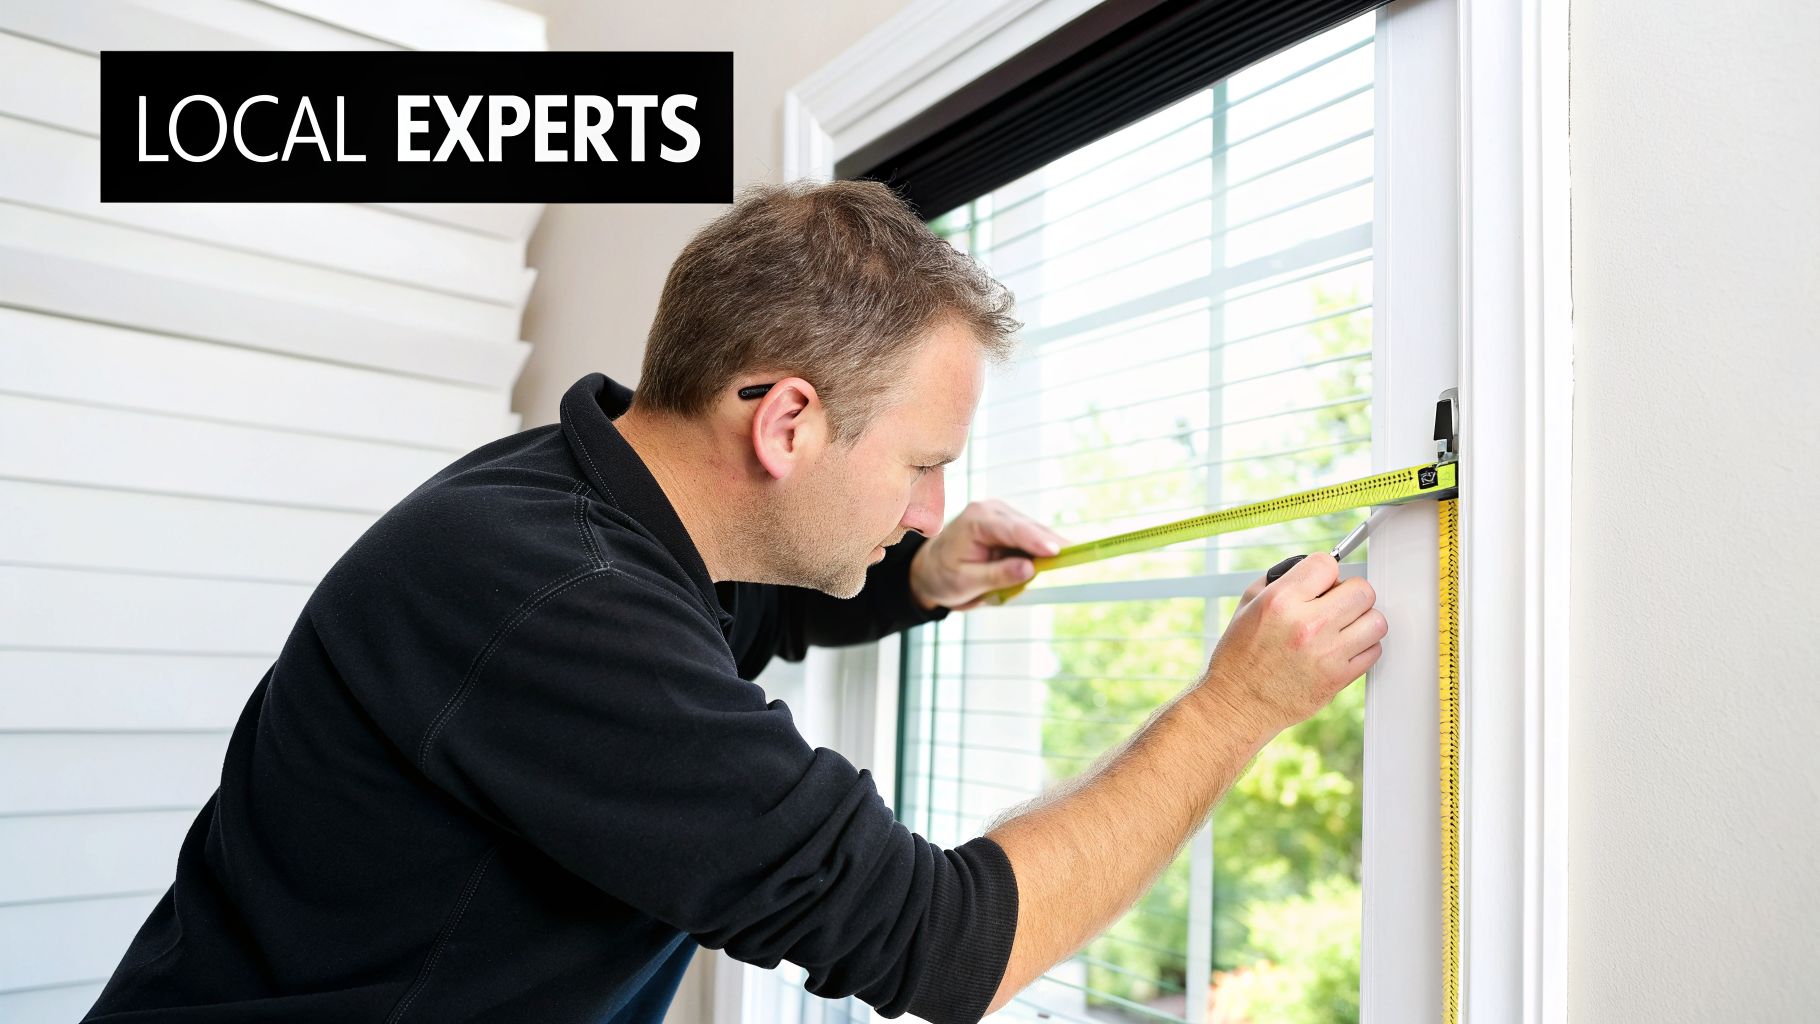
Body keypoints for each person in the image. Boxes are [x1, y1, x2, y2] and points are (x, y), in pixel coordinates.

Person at [83, 180, 1385, 1024]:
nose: (933, 506)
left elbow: (713, 622)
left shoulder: (566, 507)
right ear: (787, 422)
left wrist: (914, 584)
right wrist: (1236, 710)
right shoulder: (553, 598)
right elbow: (941, 942)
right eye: (925, 466)